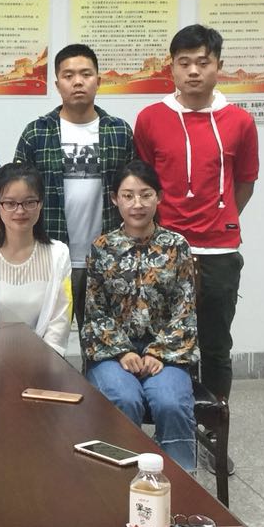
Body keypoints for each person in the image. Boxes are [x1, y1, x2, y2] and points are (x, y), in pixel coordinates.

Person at [134, 24, 259, 410]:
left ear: (218, 65)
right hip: (164, 249)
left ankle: (215, 428)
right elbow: (143, 185)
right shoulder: (150, 118)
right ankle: (172, 423)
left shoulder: (240, 121)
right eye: (184, 62)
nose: (193, 71)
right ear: (171, 67)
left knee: (216, 347)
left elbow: (245, 183)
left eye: (202, 62)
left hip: (219, 251)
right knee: (162, 343)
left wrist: (221, 217)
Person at [81, 160, 199, 472]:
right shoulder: (102, 248)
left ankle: (178, 484)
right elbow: (95, 312)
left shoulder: (176, 247)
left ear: (159, 197)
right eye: (128, 195)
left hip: (168, 354)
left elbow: (184, 310)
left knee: (171, 403)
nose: (137, 204)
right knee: (123, 399)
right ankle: (117, 482)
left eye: (146, 195)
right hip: (112, 355)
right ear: (114, 199)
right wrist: (123, 351)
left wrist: (158, 352)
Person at [13, 43, 134, 329]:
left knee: (106, 339)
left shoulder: (119, 131)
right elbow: (17, 196)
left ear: (98, 81)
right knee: (43, 337)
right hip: (48, 255)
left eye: (85, 74)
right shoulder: (36, 133)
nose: (77, 82)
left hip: (108, 257)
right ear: (57, 84)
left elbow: (134, 195)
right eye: (68, 76)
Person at [0, 163, 74, 353]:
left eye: (29, 202)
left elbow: (60, 320)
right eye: (10, 203)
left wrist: (45, 362)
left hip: (43, 361)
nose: (20, 211)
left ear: (41, 203)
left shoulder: (59, 254)